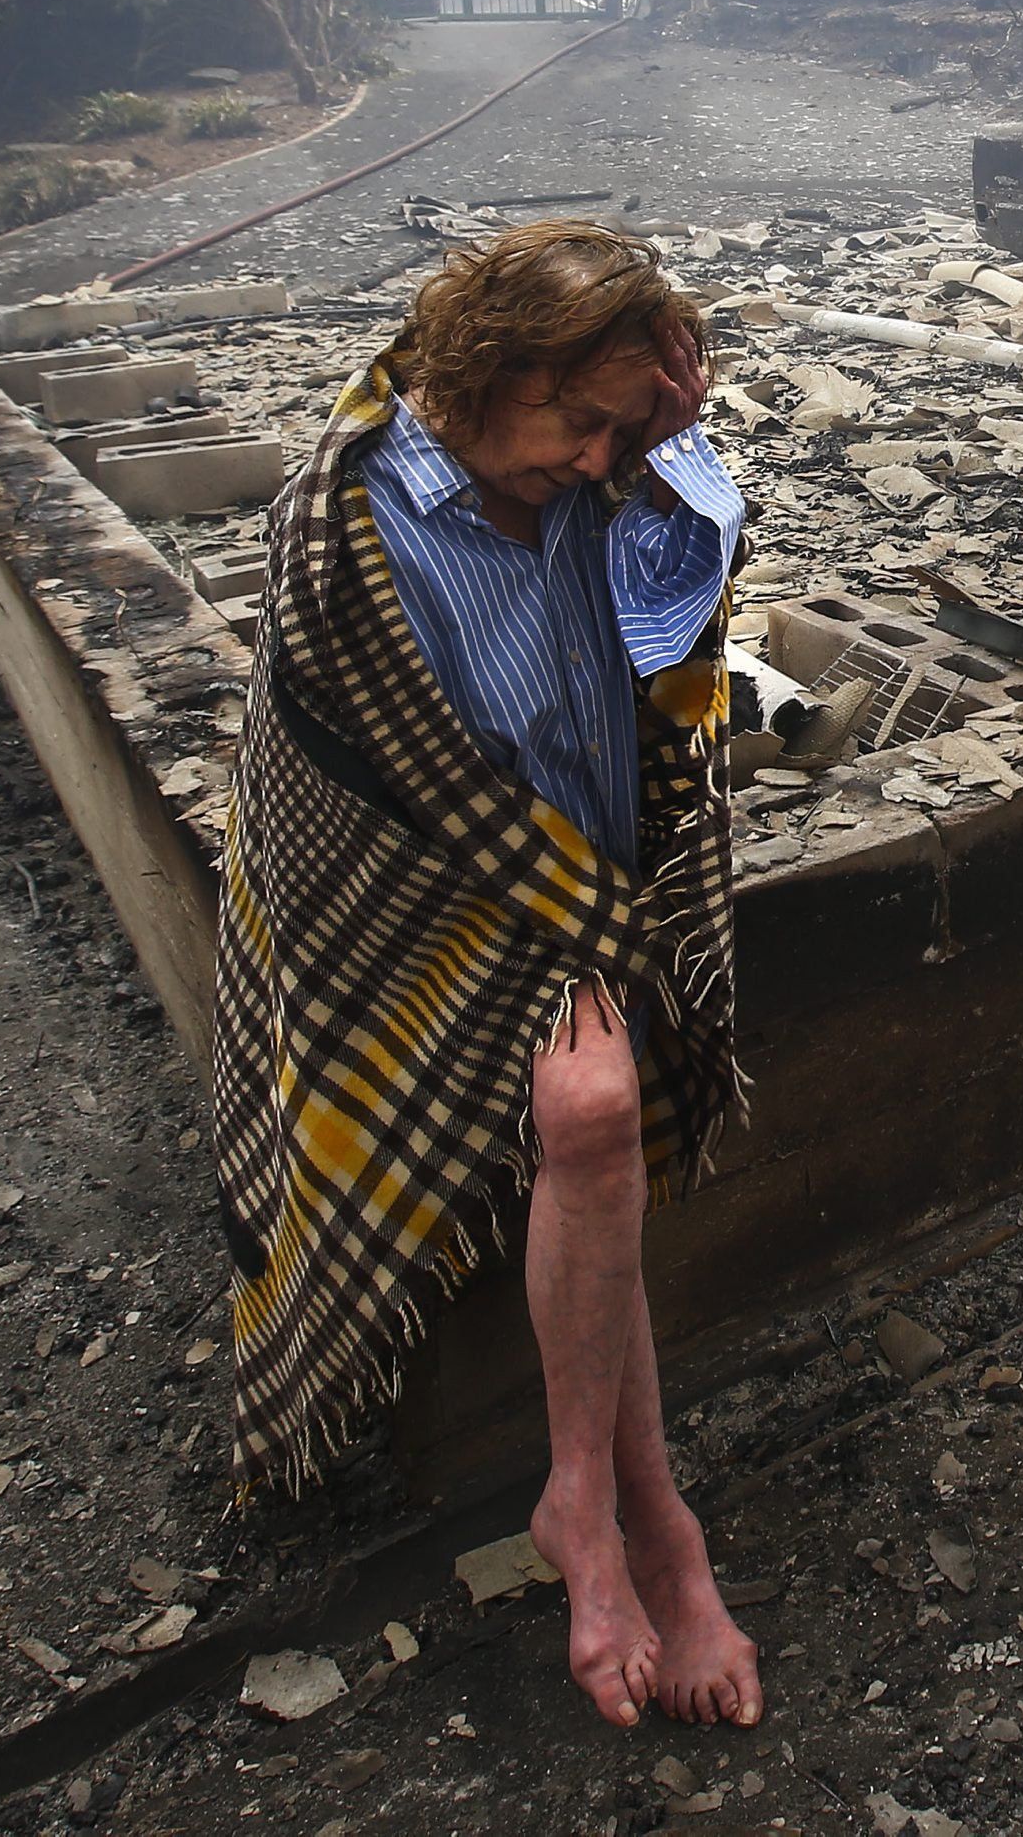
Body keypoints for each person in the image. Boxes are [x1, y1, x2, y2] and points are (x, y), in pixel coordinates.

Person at [213, 220, 761, 1730]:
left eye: (617, 422)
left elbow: (681, 630)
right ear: (483, 367)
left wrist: (677, 448)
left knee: (600, 1127)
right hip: (428, 894)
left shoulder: (607, 470)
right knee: (594, 1110)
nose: (593, 459)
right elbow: (364, 768)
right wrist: (558, 901)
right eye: (573, 420)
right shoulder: (357, 521)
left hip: (582, 866)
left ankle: (614, 1515)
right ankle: (638, 1520)